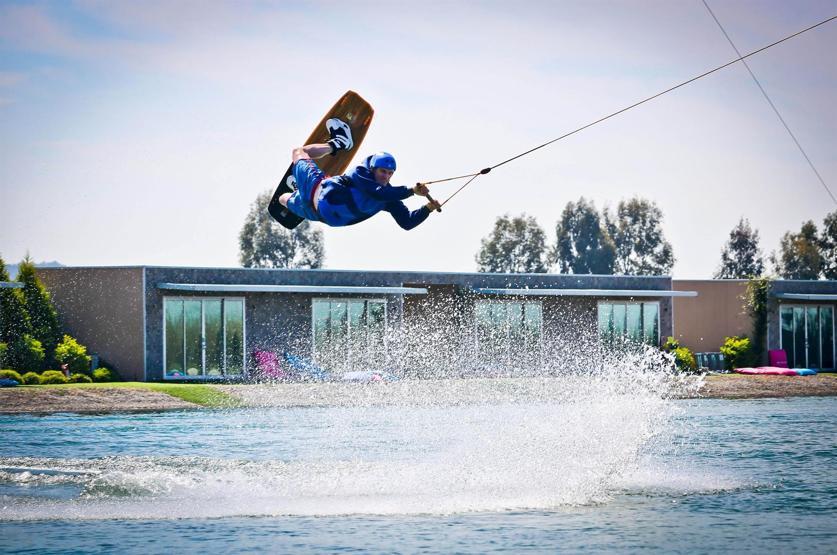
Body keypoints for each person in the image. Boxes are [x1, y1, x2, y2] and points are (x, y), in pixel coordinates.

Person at [278, 118, 441, 230]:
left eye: (390, 174)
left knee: (283, 196)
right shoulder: (360, 174)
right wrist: (411, 191)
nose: (386, 176)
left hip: (319, 213)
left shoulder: (388, 197)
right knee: (297, 156)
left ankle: (299, 189)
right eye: (382, 171)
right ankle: (337, 143)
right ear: (373, 169)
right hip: (317, 189)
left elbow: (407, 222)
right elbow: (376, 193)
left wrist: (427, 209)